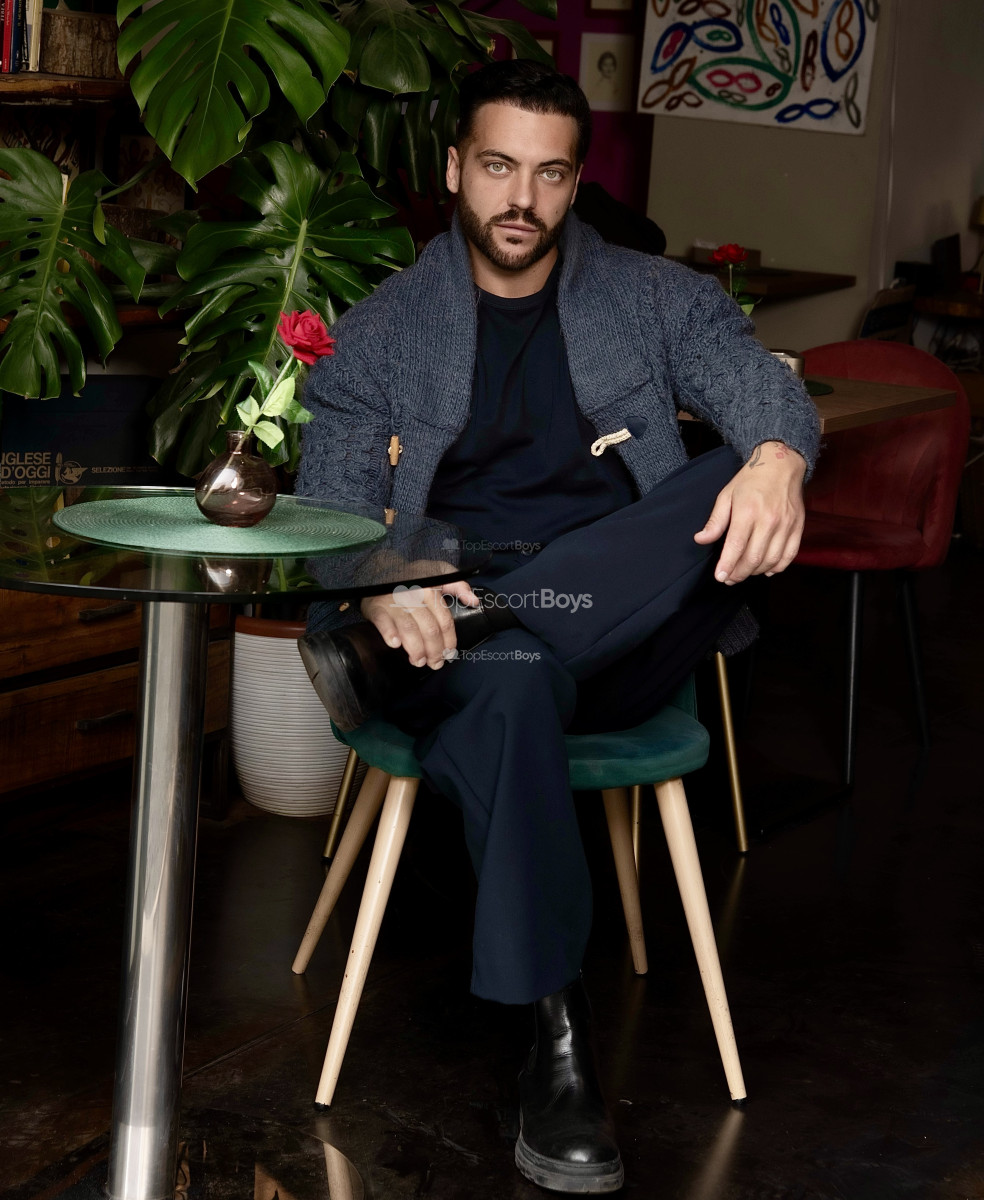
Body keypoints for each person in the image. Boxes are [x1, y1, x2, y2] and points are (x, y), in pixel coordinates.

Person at [296, 59, 819, 1195]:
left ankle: (495, 615)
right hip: (450, 633)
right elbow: (333, 510)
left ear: (577, 183)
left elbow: (759, 384)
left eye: (548, 173)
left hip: (617, 626)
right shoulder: (380, 331)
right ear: (455, 170)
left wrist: (779, 458)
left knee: (730, 472)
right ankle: (560, 1042)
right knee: (514, 676)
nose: (520, 198)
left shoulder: (655, 296)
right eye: (498, 166)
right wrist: (380, 585)